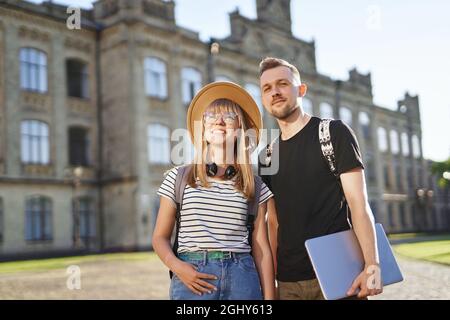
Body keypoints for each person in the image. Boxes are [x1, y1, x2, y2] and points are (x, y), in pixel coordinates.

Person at [258, 57, 383, 300]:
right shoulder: (266, 156)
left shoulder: (333, 132)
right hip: (287, 283)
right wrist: (271, 282)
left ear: (301, 89)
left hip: (339, 275)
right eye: (267, 88)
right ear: (263, 98)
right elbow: (272, 222)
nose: (275, 92)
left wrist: (372, 264)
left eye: (282, 84)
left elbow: (358, 204)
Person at [152, 81, 276, 300]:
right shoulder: (178, 178)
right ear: (203, 129)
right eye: (211, 116)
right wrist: (179, 268)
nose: (219, 121)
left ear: (240, 131)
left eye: (229, 117)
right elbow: (159, 238)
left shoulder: (255, 186)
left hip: (242, 279)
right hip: (193, 277)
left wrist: (269, 297)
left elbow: (261, 249)